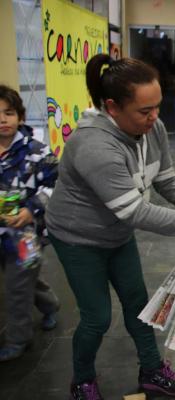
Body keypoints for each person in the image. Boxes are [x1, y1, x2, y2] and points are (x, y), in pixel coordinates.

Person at [45, 54, 175, 400]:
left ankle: (151, 370)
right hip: (78, 240)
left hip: (116, 234)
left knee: (138, 304)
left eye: (158, 107)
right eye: (144, 111)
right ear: (113, 107)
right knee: (97, 317)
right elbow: (136, 213)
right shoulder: (94, 146)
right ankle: (82, 380)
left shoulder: (152, 129)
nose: (154, 117)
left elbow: (166, 179)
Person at [0, 85, 60, 362]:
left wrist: (32, 208)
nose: (3, 120)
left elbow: (56, 184)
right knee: (24, 281)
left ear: (20, 117)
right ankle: (50, 304)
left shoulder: (37, 151)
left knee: (16, 286)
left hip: (26, 236)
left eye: (9, 113)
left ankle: (17, 339)